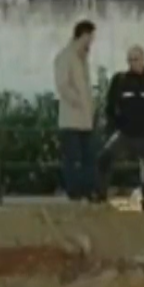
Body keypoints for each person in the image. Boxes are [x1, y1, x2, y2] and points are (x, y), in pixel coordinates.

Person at [95, 45, 144, 213]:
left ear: (143, 59)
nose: (133, 63)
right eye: (130, 60)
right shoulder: (120, 80)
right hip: (126, 134)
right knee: (104, 158)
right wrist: (114, 124)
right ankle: (100, 198)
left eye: (136, 59)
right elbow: (110, 105)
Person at [53, 20, 97, 201]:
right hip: (71, 118)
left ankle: (87, 191)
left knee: (88, 157)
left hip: (86, 119)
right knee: (73, 158)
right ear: (82, 36)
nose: (91, 43)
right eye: (89, 38)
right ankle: (74, 193)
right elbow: (63, 85)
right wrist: (78, 101)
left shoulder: (83, 59)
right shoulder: (65, 57)